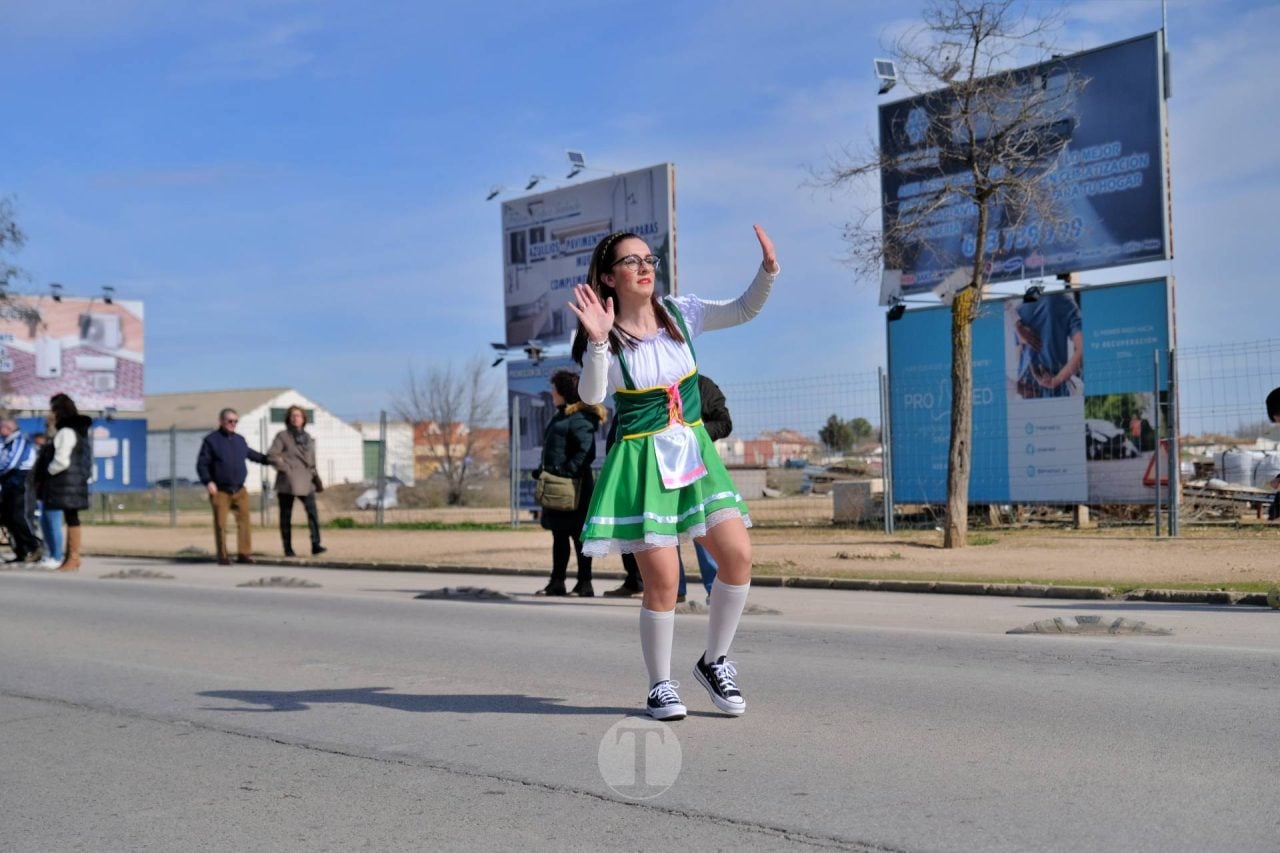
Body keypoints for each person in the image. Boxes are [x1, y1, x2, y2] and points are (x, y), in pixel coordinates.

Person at [567, 225, 778, 720]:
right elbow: (594, 396)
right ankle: (660, 684)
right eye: (632, 261)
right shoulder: (607, 339)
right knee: (663, 581)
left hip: (693, 454)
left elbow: (744, 308)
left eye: (649, 260)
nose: (645, 268)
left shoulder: (681, 314)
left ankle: (715, 660)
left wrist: (767, 272)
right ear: (608, 277)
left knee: (738, 557)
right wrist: (597, 341)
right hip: (642, 462)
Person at [533, 370, 605, 597]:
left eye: (555, 389)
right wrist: (544, 470)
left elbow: (585, 453)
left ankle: (585, 584)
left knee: (578, 537)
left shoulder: (580, 418)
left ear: (564, 392)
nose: (552, 393)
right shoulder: (561, 415)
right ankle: (557, 582)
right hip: (558, 486)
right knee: (559, 535)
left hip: (575, 488)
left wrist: (563, 473)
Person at [197, 407, 271, 565]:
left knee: (244, 522)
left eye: (235, 421)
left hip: (240, 490)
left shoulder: (240, 440)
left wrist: (269, 460)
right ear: (221, 421)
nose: (232, 424)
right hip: (220, 491)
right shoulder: (211, 441)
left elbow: (251, 455)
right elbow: (202, 464)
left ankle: (244, 554)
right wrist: (208, 481)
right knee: (221, 524)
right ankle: (223, 555)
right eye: (229, 421)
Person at [35, 394, 92, 572]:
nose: (50, 413)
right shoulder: (77, 432)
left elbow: (62, 461)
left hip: (63, 482)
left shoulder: (66, 432)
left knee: (68, 518)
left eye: (52, 409)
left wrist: (47, 472)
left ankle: (71, 557)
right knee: (71, 517)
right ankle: (71, 557)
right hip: (72, 482)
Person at [268, 405, 326, 558]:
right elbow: (272, 455)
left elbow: (311, 460)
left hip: (307, 480)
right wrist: (286, 468)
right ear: (288, 418)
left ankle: (316, 544)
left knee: (313, 513)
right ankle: (288, 548)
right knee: (286, 516)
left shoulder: (307, 438)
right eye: (293, 415)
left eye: (299, 415)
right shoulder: (282, 436)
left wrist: (316, 478)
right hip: (288, 481)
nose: (296, 418)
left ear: (304, 419)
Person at [0, 418, 42, 563]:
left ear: (10, 427)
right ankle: (21, 551)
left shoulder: (21, 441)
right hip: (7, 484)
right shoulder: (5, 442)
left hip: (20, 482)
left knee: (20, 517)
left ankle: (34, 547)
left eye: (2, 426)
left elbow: (13, 463)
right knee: (8, 518)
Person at [31, 431, 63, 569]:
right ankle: (49, 554)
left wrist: (47, 473)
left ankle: (57, 556)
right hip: (44, 490)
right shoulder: (45, 449)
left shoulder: (56, 447)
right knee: (45, 523)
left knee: (53, 523)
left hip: (55, 489)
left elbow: (59, 464)